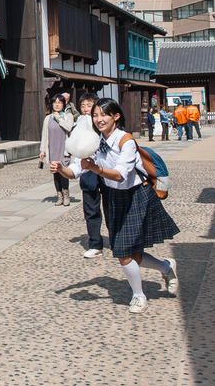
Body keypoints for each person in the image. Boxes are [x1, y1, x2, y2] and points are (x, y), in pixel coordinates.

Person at [52, 98, 180, 313]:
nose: (99, 119)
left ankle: (139, 296)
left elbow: (121, 175)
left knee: (123, 252)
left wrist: (96, 169)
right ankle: (166, 267)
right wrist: (60, 170)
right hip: (112, 198)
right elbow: (74, 171)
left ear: (116, 116)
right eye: (95, 115)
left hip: (137, 196)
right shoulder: (92, 141)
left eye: (104, 115)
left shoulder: (126, 141)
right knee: (132, 254)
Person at [68, 92, 104, 258]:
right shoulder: (79, 124)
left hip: (106, 170)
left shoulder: (103, 124)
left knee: (112, 207)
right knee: (91, 209)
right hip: (87, 171)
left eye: (89, 105)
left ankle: (119, 241)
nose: (85, 109)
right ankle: (95, 243)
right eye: (82, 106)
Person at [40, 93, 73, 206]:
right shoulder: (48, 118)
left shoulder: (68, 116)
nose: (57, 105)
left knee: (63, 173)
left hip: (63, 149)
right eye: (55, 103)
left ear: (64, 104)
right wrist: (42, 151)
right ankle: (59, 196)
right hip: (52, 149)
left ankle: (66, 195)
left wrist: (59, 118)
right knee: (56, 174)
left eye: (59, 103)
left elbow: (69, 128)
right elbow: (45, 135)